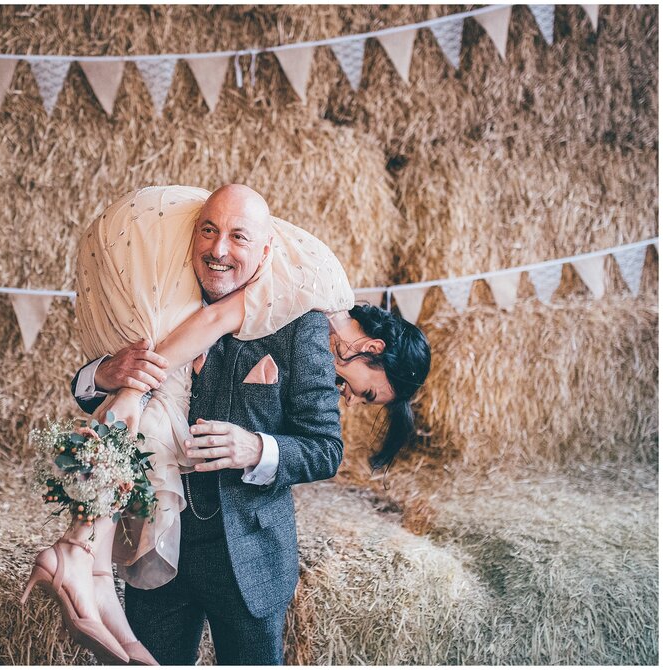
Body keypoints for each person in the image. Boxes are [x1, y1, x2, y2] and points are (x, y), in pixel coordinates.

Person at [25, 185, 431, 664]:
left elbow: (325, 448)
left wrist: (257, 449)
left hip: (247, 554)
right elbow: (104, 387)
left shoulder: (303, 327)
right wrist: (104, 373)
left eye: (237, 237)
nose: (350, 397)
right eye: (366, 392)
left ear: (262, 250)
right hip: (160, 541)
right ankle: (86, 569)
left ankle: (79, 560)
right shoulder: (171, 284)